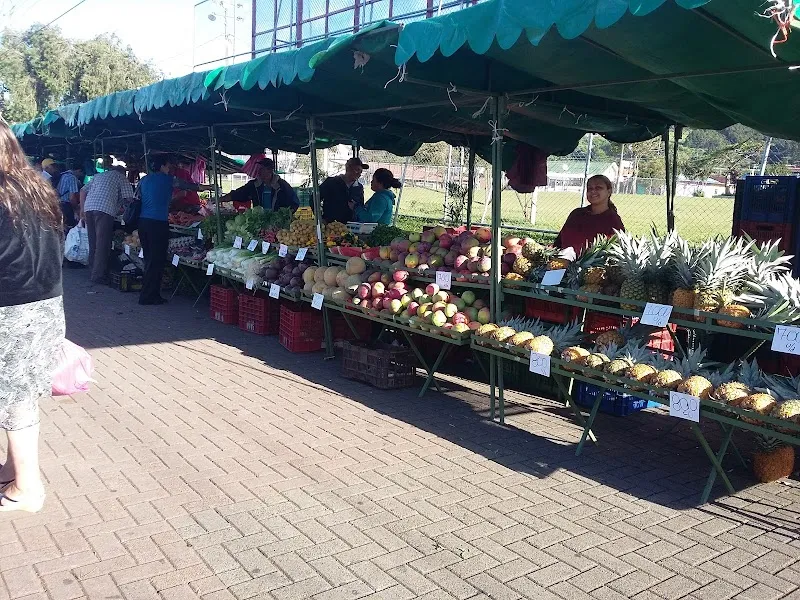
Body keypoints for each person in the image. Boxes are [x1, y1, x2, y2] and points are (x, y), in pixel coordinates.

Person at [0, 120, 66, 513]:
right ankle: (13, 468)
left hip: (11, 307)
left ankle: (28, 488)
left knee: (15, 397)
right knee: (16, 392)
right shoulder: (35, 187)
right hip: (44, 303)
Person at [136, 155, 211, 305]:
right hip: (158, 224)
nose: (170, 167)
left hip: (143, 222)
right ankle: (150, 296)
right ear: (163, 166)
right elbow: (191, 186)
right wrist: (210, 187)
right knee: (157, 260)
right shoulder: (168, 179)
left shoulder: (144, 180)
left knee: (149, 258)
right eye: (168, 164)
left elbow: (138, 198)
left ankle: (146, 292)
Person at [80, 163, 134, 283]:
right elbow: (129, 198)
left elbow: (83, 190)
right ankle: (98, 276)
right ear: (123, 172)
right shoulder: (121, 177)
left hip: (89, 208)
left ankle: (92, 270)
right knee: (102, 243)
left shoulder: (99, 176)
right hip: (104, 210)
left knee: (92, 241)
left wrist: (81, 209)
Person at [554, 174, 625, 252]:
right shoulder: (576, 214)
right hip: (562, 260)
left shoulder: (613, 221)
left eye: (598, 188)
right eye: (589, 188)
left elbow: (614, 250)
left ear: (609, 191)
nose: (593, 191)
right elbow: (559, 241)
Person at [221, 158, 299, 212]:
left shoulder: (282, 185)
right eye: (259, 169)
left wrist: (284, 216)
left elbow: (294, 202)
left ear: (270, 170)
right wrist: (220, 199)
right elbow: (239, 194)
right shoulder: (254, 185)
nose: (259, 172)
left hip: (277, 225)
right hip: (260, 222)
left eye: (262, 169)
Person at [320, 157, 368, 223]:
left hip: (352, 227)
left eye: (361, 171)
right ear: (348, 168)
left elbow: (360, 205)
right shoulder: (331, 182)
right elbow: (314, 198)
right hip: (331, 226)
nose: (359, 174)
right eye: (357, 170)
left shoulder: (359, 187)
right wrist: (320, 217)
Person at [46, 160, 80, 228]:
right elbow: (72, 197)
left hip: (55, 205)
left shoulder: (59, 176)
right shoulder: (71, 178)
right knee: (69, 227)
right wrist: (76, 210)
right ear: (79, 170)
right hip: (66, 207)